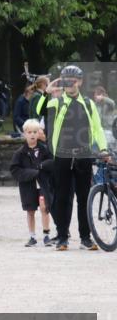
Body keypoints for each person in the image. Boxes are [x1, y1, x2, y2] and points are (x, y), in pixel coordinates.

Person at [43, 65, 109, 251]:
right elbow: (39, 112)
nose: (70, 83)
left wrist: (103, 148)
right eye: (66, 79)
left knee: (84, 198)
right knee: (63, 197)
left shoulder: (88, 104)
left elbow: (97, 128)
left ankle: (85, 238)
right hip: (62, 156)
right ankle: (62, 237)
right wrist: (46, 94)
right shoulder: (56, 102)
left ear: (80, 82)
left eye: (73, 80)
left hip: (83, 155)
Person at [9, 119, 55, 248]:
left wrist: (42, 167)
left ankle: (46, 235)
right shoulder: (19, 153)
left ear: (39, 133)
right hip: (27, 185)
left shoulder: (45, 150)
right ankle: (32, 236)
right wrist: (32, 173)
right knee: (30, 211)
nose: (32, 135)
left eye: (35, 132)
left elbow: (52, 163)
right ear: (25, 134)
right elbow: (15, 170)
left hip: (43, 184)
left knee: (44, 207)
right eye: (29, 132)